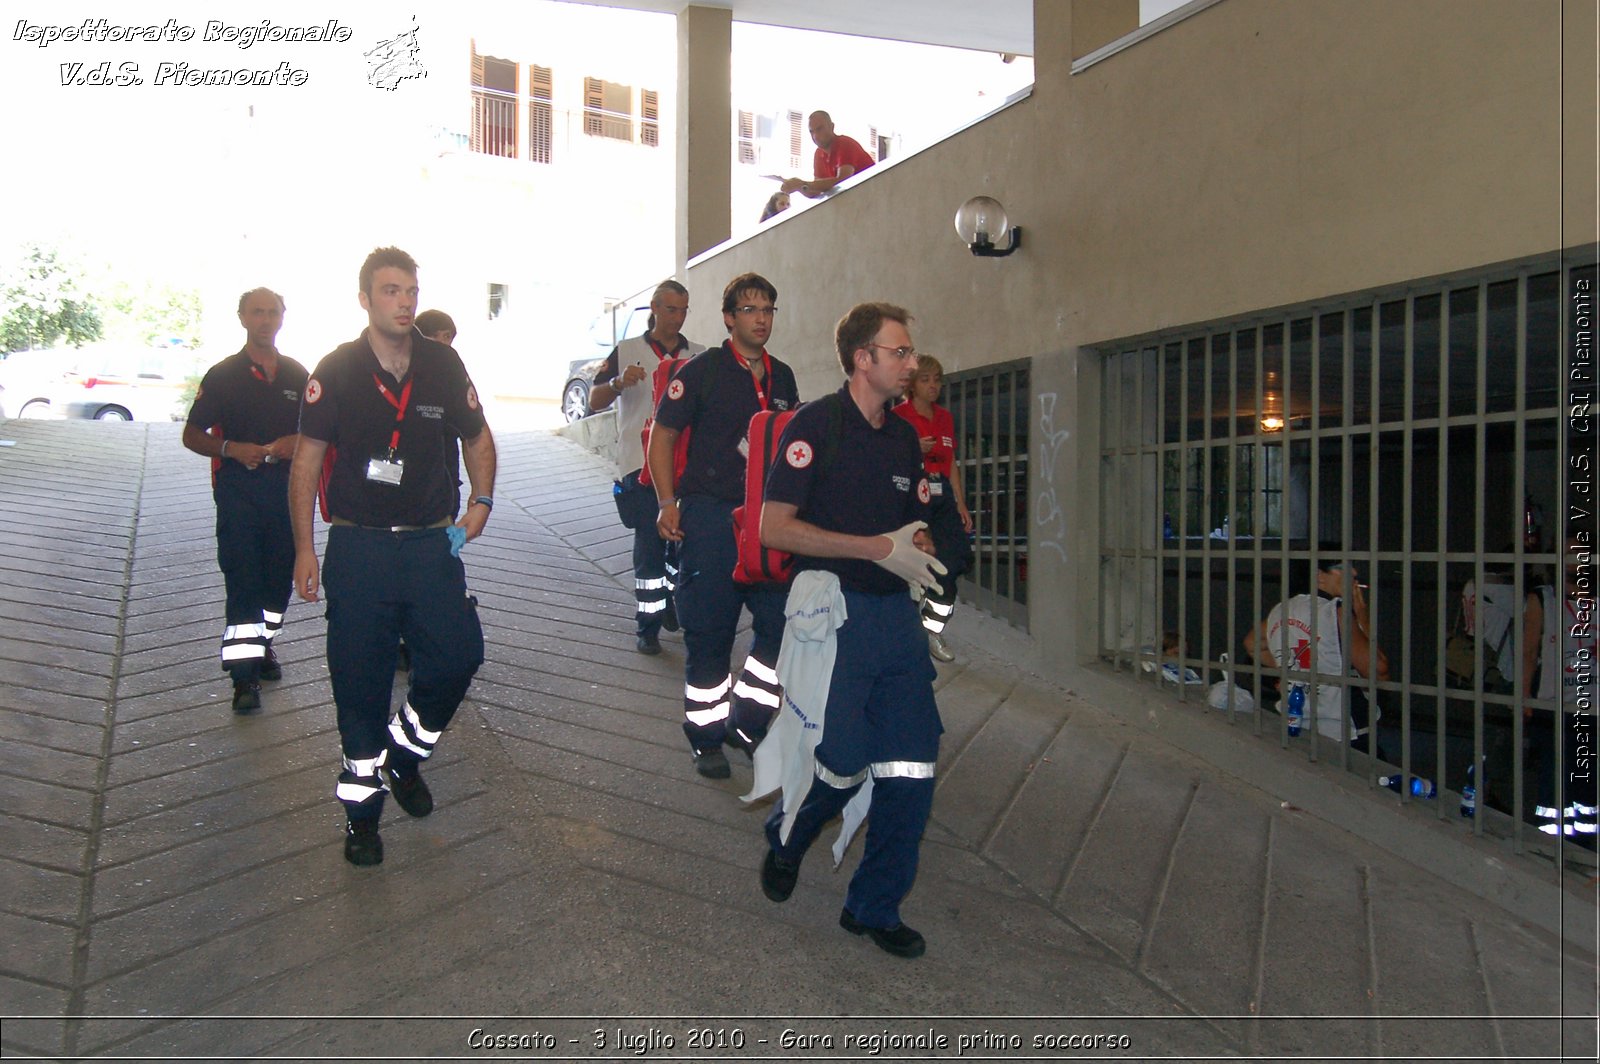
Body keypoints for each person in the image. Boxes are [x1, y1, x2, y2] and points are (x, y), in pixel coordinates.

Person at [288, 247, 497, 867]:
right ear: (365, 299)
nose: (404, 301)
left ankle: (404, 754)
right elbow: (304, 463)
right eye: (390, 291)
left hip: (432, 542)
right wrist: (305, 548)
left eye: (410, 290)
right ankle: (362, 817)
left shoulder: (442, 362)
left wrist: (480, 503)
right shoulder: (337, 370)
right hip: (359, 547)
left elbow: (477, 436)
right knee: (359, 681)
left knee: (459, 656)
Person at [753, 301, 945, 959]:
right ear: (863, 359)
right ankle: (789, 837)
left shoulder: (903, 439)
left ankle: (874, 907)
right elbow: (773, 527)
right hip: (833, 614)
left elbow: (907, 530)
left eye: (910, 354)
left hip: (895, 622)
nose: (911, 364)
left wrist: (917, 543)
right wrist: (873, 548)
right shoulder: (817, 425)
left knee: (911, 768)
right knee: (839, 761)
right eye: (900, 353)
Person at [648, 272, 799, 778]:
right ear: (730, 318)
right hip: (711, 517)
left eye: (768, 310)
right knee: (710, 632)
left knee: (782, 627)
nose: (761, 319)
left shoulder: (785, 378)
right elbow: (663, 437)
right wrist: (668, 501)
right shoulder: (702, 371)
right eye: (751, 310)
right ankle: (706, 737)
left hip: (767, 521)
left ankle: (747, 723)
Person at [182, 288, 308, 714]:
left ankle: (264, 644)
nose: (265, 320)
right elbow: (192, 434)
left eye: (273, 312)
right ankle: (243, 678)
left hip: (288, 495)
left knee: (277, 584)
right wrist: (230, 449)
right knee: (242, 582)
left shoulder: (297, 374)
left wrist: (297, 441)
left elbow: (319, 430)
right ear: (242, 318)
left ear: (282, 318)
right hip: (239, 494)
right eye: (257, 312)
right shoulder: (222, 375)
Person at [588, 281, 705, 655]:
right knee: (649, 549)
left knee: (681, 547)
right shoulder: (627, 351)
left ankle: (672, 600)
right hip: (639, 468)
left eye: (684, 310)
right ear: (654, 308)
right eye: (671, 309)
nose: (678, 317)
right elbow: (593, 399)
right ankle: (648, 627)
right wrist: (619, 382)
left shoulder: (700, 356)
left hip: (685, 467)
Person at [1242, 557, 1390, 757]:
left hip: (1298, 725)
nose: (1353, 573)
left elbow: (1252, 644)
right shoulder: (1332, 610)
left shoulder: (1282, 609)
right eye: (1342, 567)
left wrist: (1290, 672)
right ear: (1319, 575)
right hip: (1344, 732)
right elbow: (1378, 670)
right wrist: (1362, 616)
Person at [892, 354, 972, 661]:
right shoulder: (898, 416)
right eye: (925, 379)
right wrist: (913, 447)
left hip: (941, 500)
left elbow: (951, 462)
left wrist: (960, 502)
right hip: (913, 499)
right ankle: (910, 636)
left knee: (954, 560)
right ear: (911, 384)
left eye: (937, 379)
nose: (933, 385)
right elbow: (889, 463)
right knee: (911, 567)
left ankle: (932, 628)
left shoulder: (945, 418)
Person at [1523, 534, 1597, 843]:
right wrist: (1524, 695)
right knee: (1555, 776)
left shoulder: (1593, 600)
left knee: (1586, 778)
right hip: (1553, 704)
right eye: (1567, 554)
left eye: (1580, 554)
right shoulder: (1544, 598)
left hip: (1590, 704)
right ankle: (1551, 842)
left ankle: (1584, 842)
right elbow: (1528, 650)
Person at [780, 111, 874, 200]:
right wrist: (798, 187)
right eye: (811, 131)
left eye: (819, 129)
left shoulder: (845, 143)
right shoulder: (818, 154)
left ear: (832, 127)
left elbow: (843, 181)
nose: (815, 136)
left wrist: (802, 183)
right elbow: (816, 191)